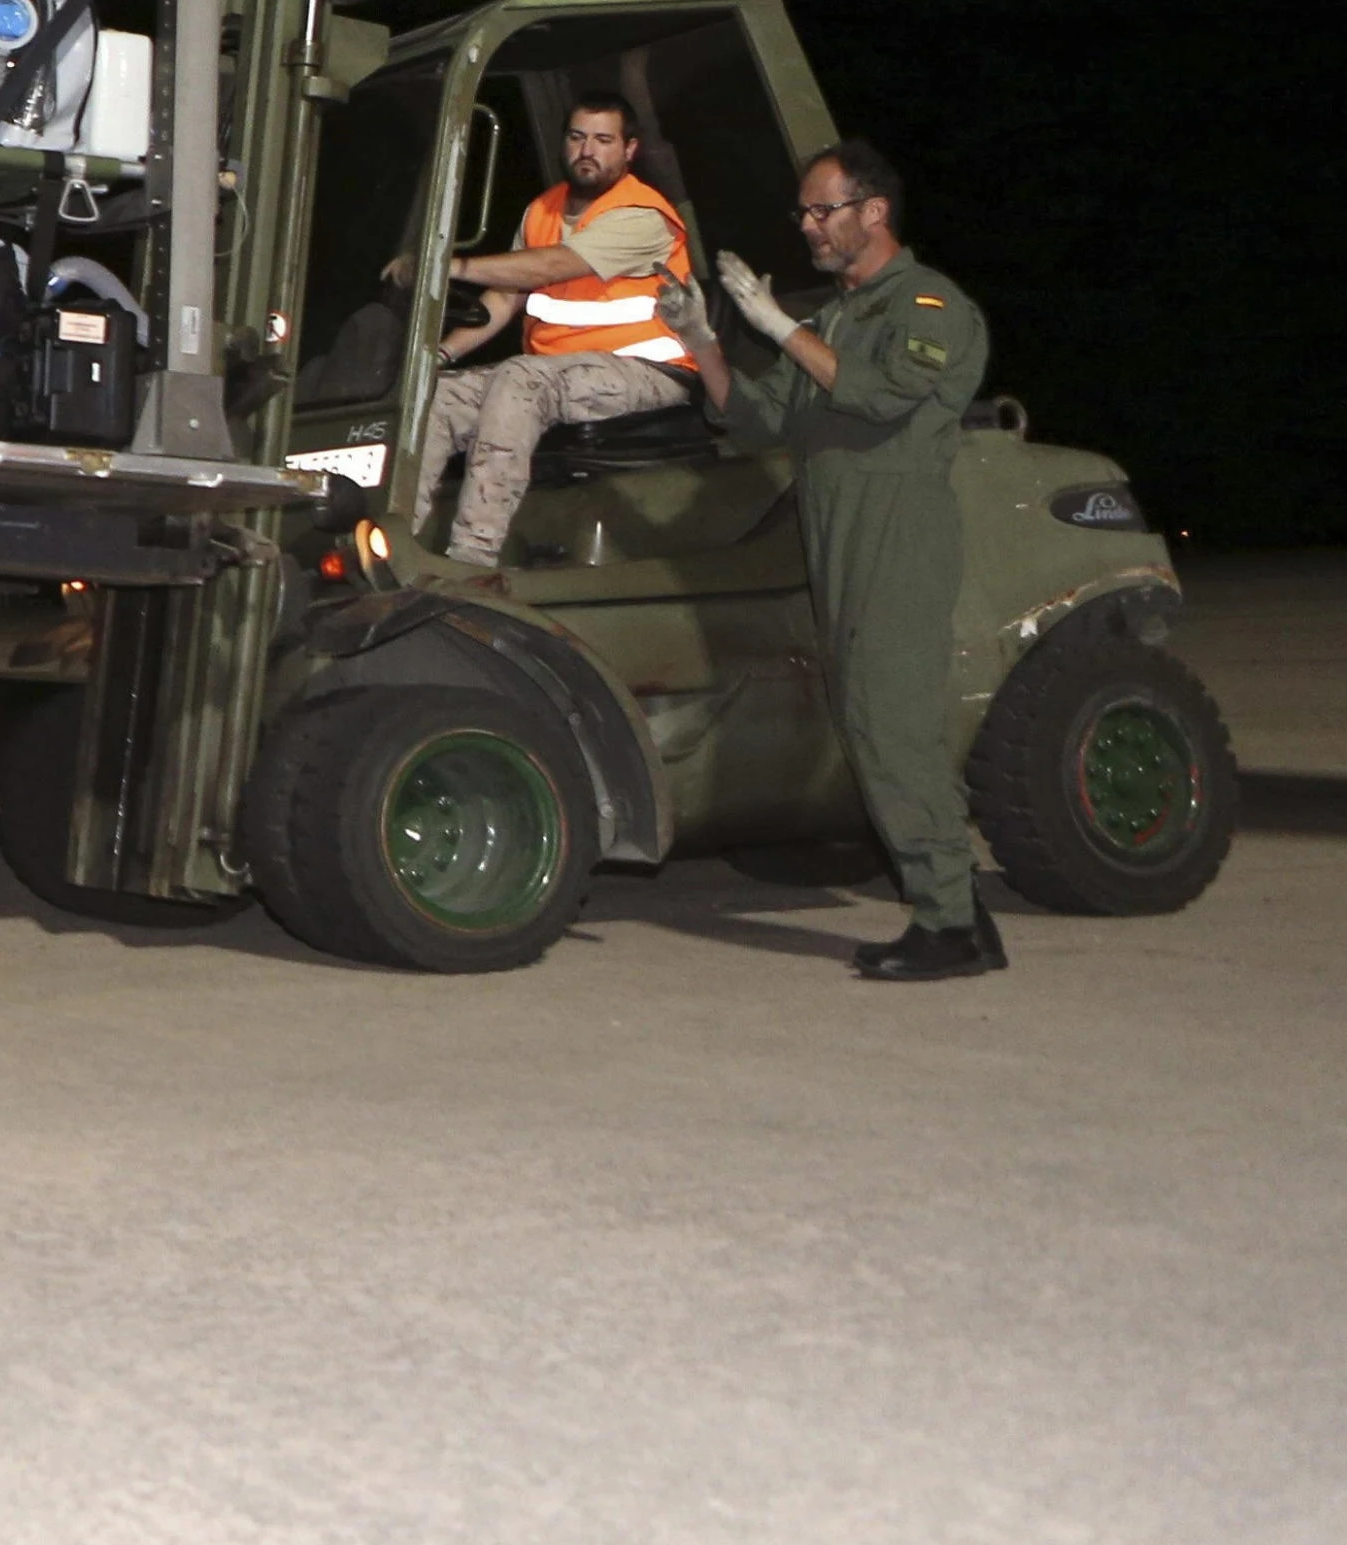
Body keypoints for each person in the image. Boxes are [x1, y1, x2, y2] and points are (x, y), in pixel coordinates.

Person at [677, 139, 1001, 981]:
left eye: (825, 210)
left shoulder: (927, 305)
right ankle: (960, 907)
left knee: (889, 727)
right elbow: (755, 422)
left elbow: (875, 393)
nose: (811, 226)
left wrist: (778, 325)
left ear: (874, 212)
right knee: (871, 725)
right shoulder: (833, 318)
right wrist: (704, 341)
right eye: (805, 213)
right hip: (836, 533)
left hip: (897, 531)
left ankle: (949, 924)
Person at [400, 91, 699, 565]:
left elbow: (552, 266)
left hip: (649, 373)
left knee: (520, 378)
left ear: (629, 150)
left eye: (604, 140)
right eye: (578, 137)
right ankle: (400, 545)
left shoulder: (643, 215)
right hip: (561, 374)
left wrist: (448, 265)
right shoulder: (543, 210)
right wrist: (439, 356)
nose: (588, 150)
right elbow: (505, 296)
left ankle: (472, 555)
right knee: (436, 395)